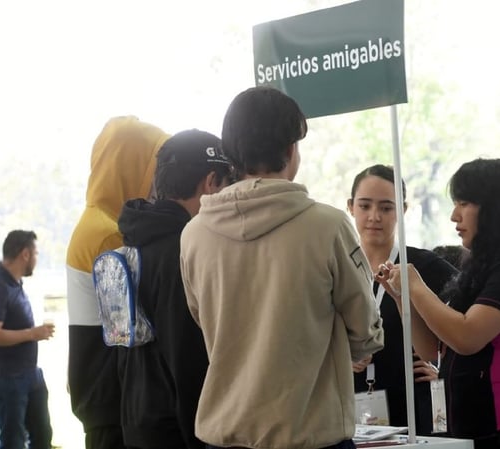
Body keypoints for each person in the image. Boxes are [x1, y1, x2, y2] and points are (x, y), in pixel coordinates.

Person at [180, 86, 384, 449]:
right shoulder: (328, 225)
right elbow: (365, 329)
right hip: (309, 432)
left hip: (225, 432)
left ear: (230, 154)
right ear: (291, 149)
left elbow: (202, 318)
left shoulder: (194, 233)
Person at [376, 158, 500, 449]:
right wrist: (401, 297)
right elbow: (432, 348)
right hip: (477, 428)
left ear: (497, 208)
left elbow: (467, 337)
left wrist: (417, 287)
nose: (454, 216)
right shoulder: (485, 267)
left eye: (464, 203)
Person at [116, 129, 233, 449]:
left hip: (137, 418)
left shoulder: (135, 239)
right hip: (178, 429)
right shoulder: (182, 249)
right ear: (211, 182)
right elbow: (186, 357)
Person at [66, 116, 169, 449]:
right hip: (113, 401)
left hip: (100, 398)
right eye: (154, 166)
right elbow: (139, 322)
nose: (158, 181)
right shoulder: (109, 234)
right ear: (130, 167)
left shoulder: (96, 221)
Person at [348, 164, 457, 435]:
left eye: (386, 208)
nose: (374, 216)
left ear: (403, 210)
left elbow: (471, 319)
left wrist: (445, 370)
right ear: (350, 207)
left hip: (414, 406)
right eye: (365, 206)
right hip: (350, 406)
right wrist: (340, 357)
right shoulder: (335, 267)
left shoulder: (422, 266)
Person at [0, 230, 54, 449]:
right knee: (13, 441)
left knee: (42, 434)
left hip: (29, 374)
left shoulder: (14, 283)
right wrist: (33, 334)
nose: (36, 259)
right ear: (25, 254)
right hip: (8, 378)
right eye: (36, 254)